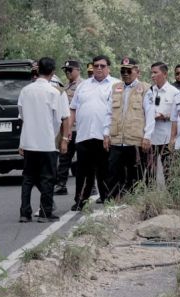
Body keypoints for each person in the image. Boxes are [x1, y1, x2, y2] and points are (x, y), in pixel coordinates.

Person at [17, 57, 71, 223]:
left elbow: (22, 117)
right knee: (47, 177)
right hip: (47, 142)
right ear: (53, 72)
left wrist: (22, 142)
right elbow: (64, 118)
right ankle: (45, 213)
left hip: (29, 141)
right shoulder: (55, 92)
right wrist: (63, 139)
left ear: (38, 70)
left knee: (28, 178)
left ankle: (25, 213)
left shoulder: (25, 91)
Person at [70, 54, 119, 210]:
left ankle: (108, 200)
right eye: (96, 65)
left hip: (105, 136)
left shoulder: (116, 85)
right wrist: (69, 131)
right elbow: (73, 109)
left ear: (108, 68)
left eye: (102, 66)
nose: (98, 68)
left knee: (105, 170)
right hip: (84, 134)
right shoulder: (83, 86)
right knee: (83, 171)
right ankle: (80, 200)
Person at [103, 57, 155, 199]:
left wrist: (147, 136)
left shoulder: (144, 89)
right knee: (113, 174)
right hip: (116, 139)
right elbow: (108, 112)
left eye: (128, 70)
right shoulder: (115, 88)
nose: (125, 73)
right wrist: (106, 134)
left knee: (134, 175)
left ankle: (131, 205)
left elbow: (150, 115)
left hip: (135, 140)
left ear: (137, 71)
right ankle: (112, 204)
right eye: (122, 71)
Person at [54, 60, 83, 195]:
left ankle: (89, 187)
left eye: (70, 70)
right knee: (64, 156)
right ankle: (61, 184)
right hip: (66, 128)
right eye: (66, 70)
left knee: (84, 159)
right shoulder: (65, 87)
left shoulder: (83, 86)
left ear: (77, 70)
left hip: (80, 128)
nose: (67, 72)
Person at [147, 62, 178, 184]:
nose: (152, 75)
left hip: (166, 137)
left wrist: (164, 116)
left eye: (155, 72)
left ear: (165, 74)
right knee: (149, 171)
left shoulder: (174, 92)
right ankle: (150, 199)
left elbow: (179, 115)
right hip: (150, 137)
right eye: (152, 72)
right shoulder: (149, 91)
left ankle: (172, 200)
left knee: (169, 171)